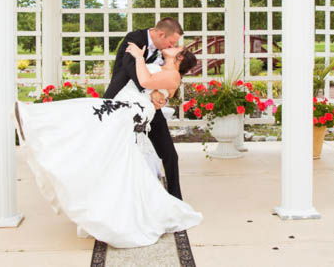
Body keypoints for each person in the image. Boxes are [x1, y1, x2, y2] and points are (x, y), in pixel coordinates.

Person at [17, 38, 201, 248]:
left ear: (180, 58)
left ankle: (34, 120)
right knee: (108, 150)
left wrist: (140, 58)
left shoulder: (173, 74)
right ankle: (35, 123)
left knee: (87, 113)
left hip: (132, 111)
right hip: (127, 106)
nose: (174, 45)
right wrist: (155, 88)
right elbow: (147, 83)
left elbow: (145, 81)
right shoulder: (161, 68)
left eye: (178, 48)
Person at [104, 18, 186, 200]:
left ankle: (175, 197)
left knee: (169, 154)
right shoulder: (134, 38)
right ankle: (113, 196)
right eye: (171, 42)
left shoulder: (165, 55)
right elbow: (129, 67)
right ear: (160, 34)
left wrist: (160, 94)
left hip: (149, 107)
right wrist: (152, 91)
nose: (172, 45)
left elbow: (167, 81)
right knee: (115, 152)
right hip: (121, 104)